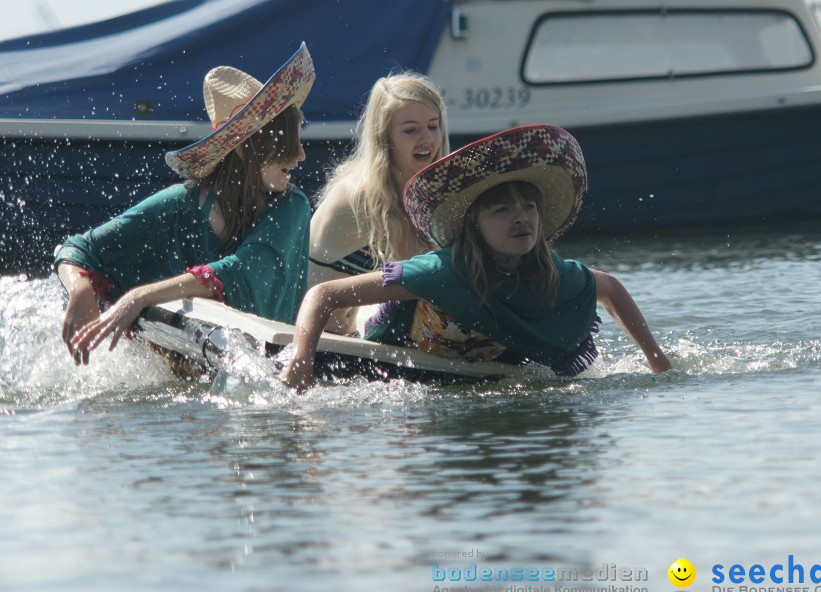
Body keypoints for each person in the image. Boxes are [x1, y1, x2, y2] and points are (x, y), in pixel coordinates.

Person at [281, 124, 671, 393]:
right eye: (502, 210)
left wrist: (658, 361)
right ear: (475, 227)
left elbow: (610, 288)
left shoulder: (552, 275)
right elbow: (324, 294)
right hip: (404, 365)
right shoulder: (441, 270)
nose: (521, 218)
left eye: (528, 207)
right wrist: (301, 357)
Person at [54, 44, 316, 365]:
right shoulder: (180, 203)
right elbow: (77, 250)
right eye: (289, 143)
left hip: (274, 365)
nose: (301, 155)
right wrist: (80, 287)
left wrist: (138, 297)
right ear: (245, 149)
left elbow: (239, 272)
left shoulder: (294, 206)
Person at [307, 71, 450, 334]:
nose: (427, 139)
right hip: (312, 340)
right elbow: (429, 277)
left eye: (433, 126)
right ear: (384, 137)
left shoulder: (410, 189)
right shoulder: (359, 195)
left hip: (347, 338)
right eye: (410, 130)